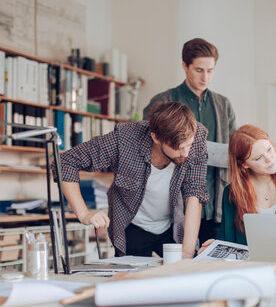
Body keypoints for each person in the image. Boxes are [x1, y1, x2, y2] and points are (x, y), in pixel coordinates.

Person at [58, 102, 208, 259]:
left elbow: (194, 193)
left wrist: (188, 253)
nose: (185, 153)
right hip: (133, 227)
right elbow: (66, 162)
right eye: (177, 148)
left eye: (188, 145)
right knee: (132, 280)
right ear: (156, 138)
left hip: (173, 227)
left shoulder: (197, 137)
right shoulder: (125, 139)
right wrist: (84, 214)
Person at [143, 38, 236, 245]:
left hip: (215, 204)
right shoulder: (162, 102)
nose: (205, 78)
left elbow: (235, 150)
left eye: (210, 71)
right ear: (185, 66)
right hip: (172, 208)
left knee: (211, 265)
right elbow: (148, 149)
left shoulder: (224, 105)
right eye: (199, 70)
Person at [200, 124, 276, 250]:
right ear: (243, 164)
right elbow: (229, 240)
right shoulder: (232, 193)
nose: (270, 160)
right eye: (259, 158)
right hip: (248, 267)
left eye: (269, 149)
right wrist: (216, 246)